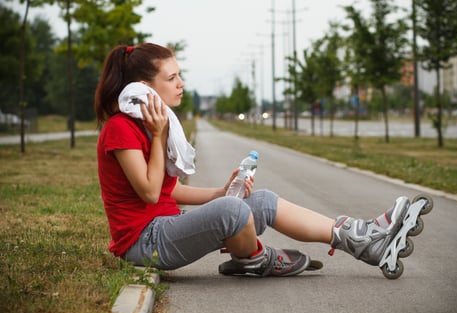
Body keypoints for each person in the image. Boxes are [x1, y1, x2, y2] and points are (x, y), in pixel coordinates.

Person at [95, 42, 413, 277]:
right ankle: (258, 259)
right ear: (143, 88)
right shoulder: (121, 129)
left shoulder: (154, 125)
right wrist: (160, 135)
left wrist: (220, 192)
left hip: (167, 226)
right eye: (172, 77)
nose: (181, 84)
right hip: (144, 241)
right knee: (232, 211)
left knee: (259, 200)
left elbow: (169, 191)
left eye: (180, 75)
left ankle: (364, 239)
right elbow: (150, 193)